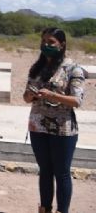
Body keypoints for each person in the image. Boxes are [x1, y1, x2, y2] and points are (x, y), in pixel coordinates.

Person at [24, 28, 86, 213]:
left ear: (62, 45)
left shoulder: (73, 68)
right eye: (43, 41)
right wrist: (31, 95)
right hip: (38, 125)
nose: (46, 45)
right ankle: (44, 208)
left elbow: (77, 100)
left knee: (62, 172)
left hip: (63, 129)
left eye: (51, 42)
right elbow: (26, 98)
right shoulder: (37, 68)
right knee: (45, 170)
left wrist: (53, 95)